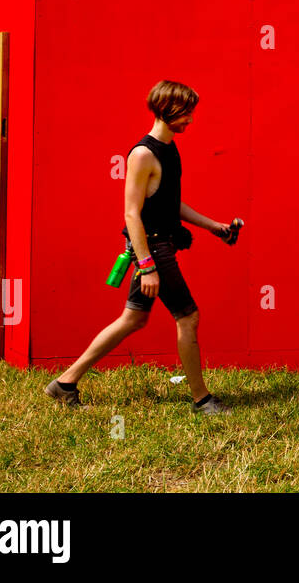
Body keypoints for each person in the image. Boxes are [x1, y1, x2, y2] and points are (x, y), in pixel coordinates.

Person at [44, 80, 240, 415]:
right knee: (188, 316)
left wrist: (214, 227)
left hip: (157, 245)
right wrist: (147, 265)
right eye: (186, 113)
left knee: (133, 319)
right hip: (151, 248)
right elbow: (131, 213)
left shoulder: (170, 149)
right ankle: (202, 400)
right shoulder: (142, 155)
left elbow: (170, 203)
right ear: (167, 110)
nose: (191, 119)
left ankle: (64, 383)